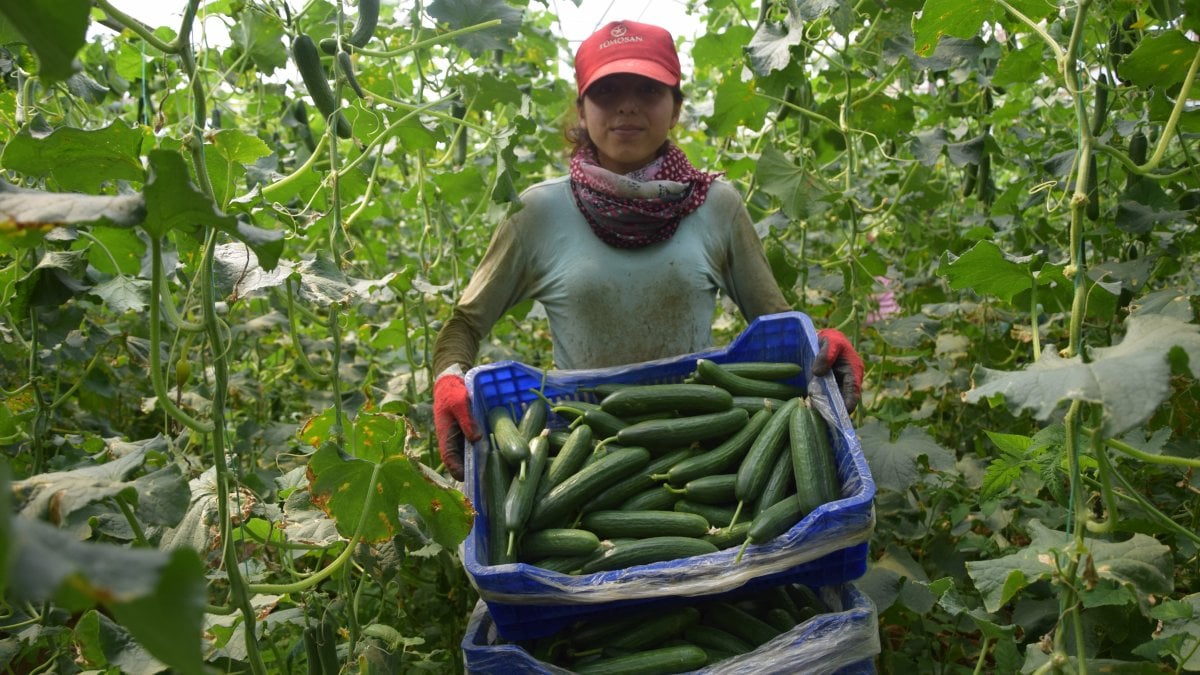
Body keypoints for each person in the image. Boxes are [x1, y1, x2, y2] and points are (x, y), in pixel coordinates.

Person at [431, 20, 863, 481]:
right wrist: (449, 379)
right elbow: (466, 324)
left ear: (675, 108)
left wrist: (821, 344)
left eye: (649, 90)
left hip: (699, 451)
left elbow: (777, 325)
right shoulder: (537, 212)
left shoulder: (717, 205)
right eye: (608, 91)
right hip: (582, 456)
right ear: (581, 110)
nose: (628, 106)